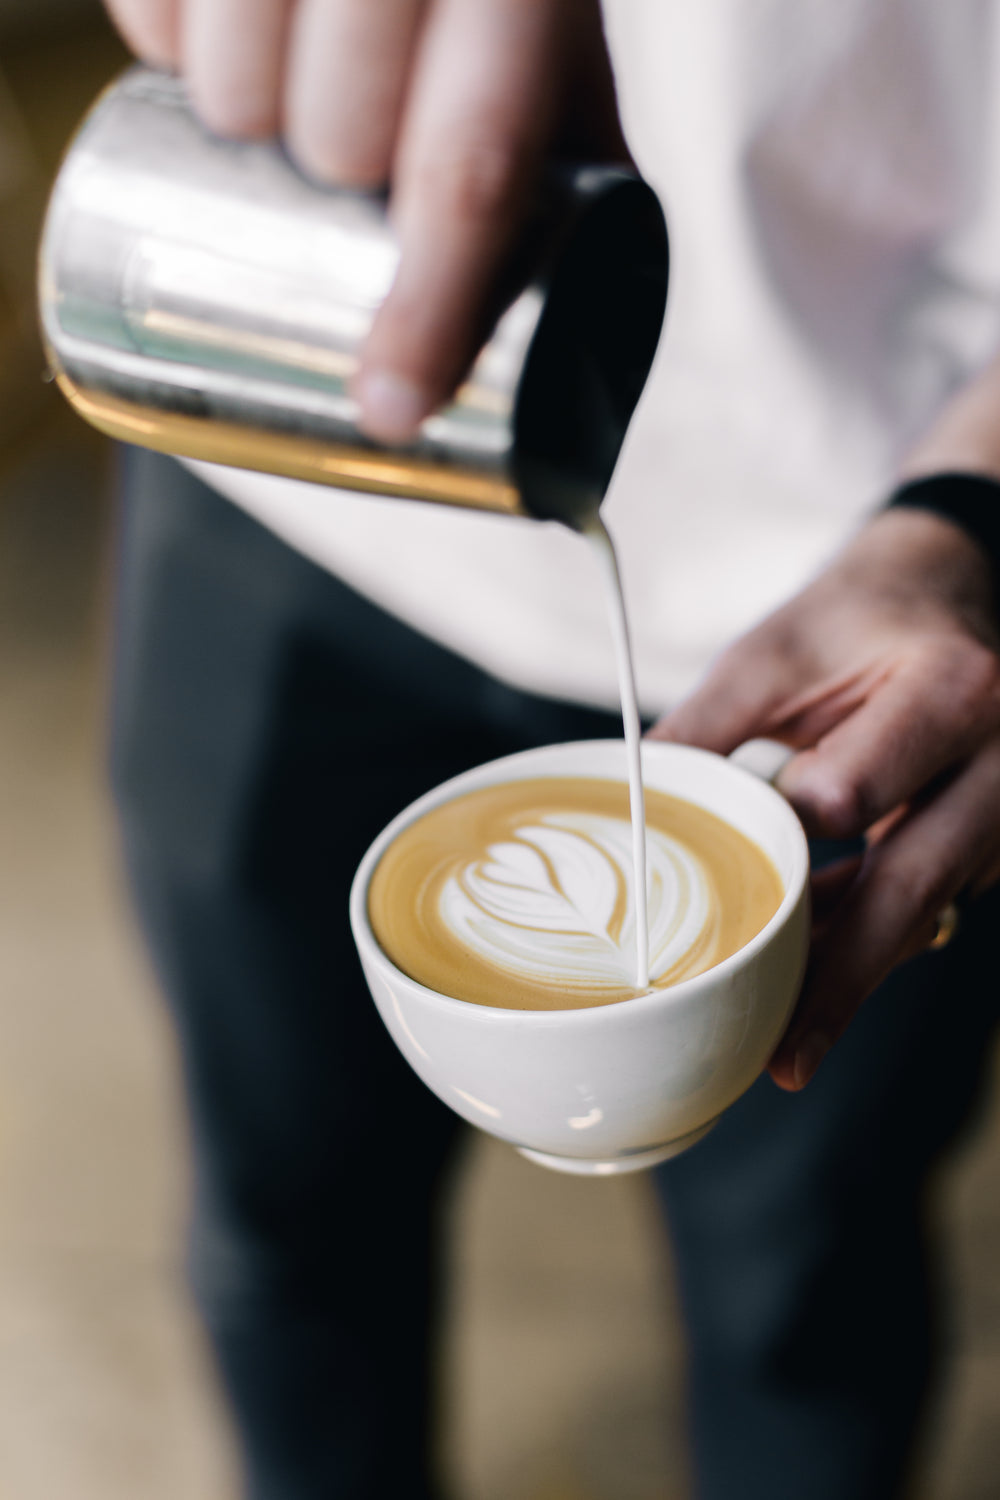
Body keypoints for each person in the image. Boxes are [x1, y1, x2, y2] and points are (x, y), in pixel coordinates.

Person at [101, 2, 1000, 1497]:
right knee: (283, 1216)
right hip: (286, 437)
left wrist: (983, 518)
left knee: (807, 1284)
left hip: (877, 585)